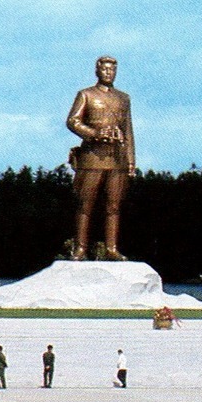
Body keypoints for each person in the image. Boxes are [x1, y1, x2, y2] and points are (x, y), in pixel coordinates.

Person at [66, 55, 135, 260]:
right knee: (85, 203)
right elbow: (73, 121)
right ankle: (80, 248)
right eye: (105, 69)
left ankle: (111, 248)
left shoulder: (124, 98)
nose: (109, 73)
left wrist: (131, 161)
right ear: (97, 71)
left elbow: (128, 131)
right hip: (91, 157)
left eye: (112, 70)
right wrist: (95, 134)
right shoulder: (86, 95)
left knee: (114, 205)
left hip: (117, 159)